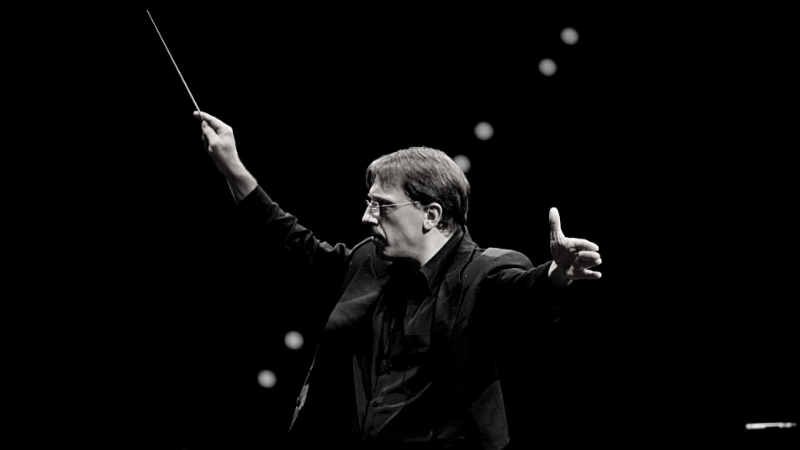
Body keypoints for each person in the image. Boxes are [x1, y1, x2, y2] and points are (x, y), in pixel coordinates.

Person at [194, 110, 602, 449]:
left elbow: (524, 290)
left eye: (382, 206)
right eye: (368, 203)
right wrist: (233, 169)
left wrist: (557, 275)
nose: (366, 217)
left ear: (431, 215)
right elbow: (293, 244)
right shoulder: (368, 261)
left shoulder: (485, 273)